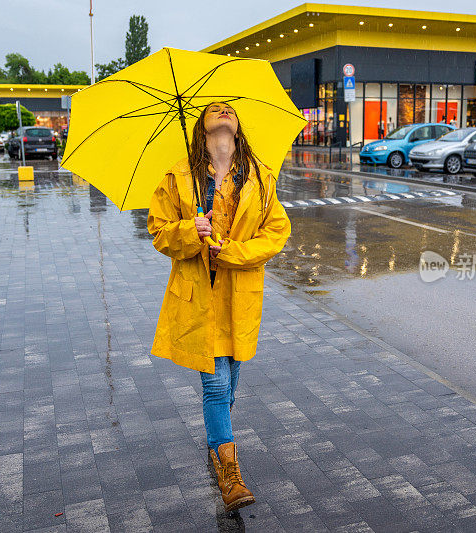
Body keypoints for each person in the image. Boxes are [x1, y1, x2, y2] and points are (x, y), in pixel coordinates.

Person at [147, 102, 291, 512]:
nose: (224, 111)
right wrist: (189, 230)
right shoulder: (179, 177)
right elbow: (158, 232)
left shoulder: (260, 178)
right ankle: (230, 474)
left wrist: (232, 253)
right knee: (215, 383)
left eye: (228, 108)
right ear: (202, 129)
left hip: (238, 296)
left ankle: (217, 435)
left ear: (237, 126)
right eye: (214, 109)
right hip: (198, 296)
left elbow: (277, 233)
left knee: (230, 380)